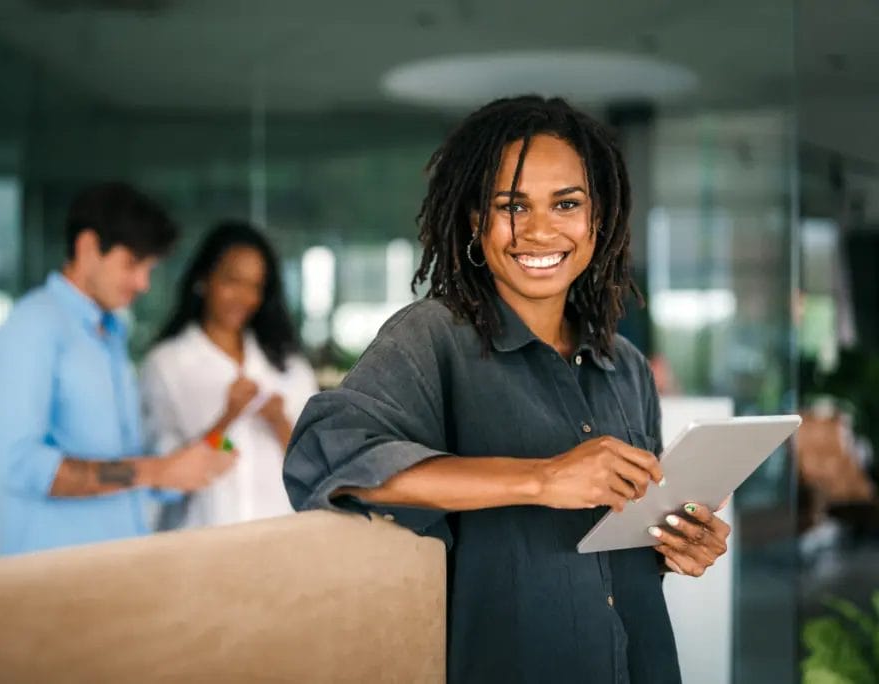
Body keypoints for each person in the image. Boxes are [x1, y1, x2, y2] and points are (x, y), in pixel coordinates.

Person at [283, 95, 732, 683]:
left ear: (600, 219)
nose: (540, 230)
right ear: (476, 220)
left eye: (567, 203)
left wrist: (675, 543)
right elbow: (324, 455)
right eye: (511, 206)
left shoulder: (621, 363)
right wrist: (541, 478)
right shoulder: (434, 337)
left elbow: (609, 550)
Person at [0, 182, 236, 555]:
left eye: (149, 267)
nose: (143, 283)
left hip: (118, 565)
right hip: (53, 578)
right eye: (132, 264)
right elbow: (23, 466)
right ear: (88, 248)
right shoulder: (33, 325)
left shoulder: (110, 334)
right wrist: (156, 471)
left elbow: (126, 467)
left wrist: (184, 466)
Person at [142, 220, 317, 529]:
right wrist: (226, 420)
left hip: (281, 542)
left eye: (255, 286)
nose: (244, 297)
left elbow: (317, 470)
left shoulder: (289, 368)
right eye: (232, 281)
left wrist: (280, 423)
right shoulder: (167, 366)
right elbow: (163, 480)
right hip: (201, 548)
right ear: (203, 279)